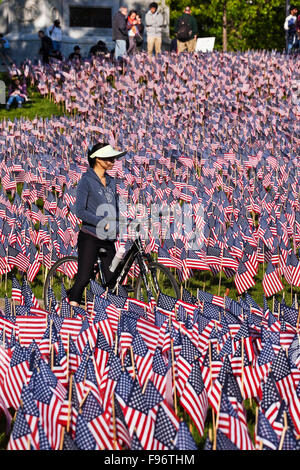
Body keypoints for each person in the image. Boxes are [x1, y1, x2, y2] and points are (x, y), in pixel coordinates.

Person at [67, 142, 127, 307]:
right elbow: (80, 211)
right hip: (90, 236)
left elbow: (114, 207)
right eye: (109, 157)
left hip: (108, 239)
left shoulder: (112, 181)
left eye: (113, 157)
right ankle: (71, 308)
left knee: (113, 280)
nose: (113, 160)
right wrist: (101, 222)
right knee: (84, 276)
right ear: (98, 159)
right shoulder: (86, 181)